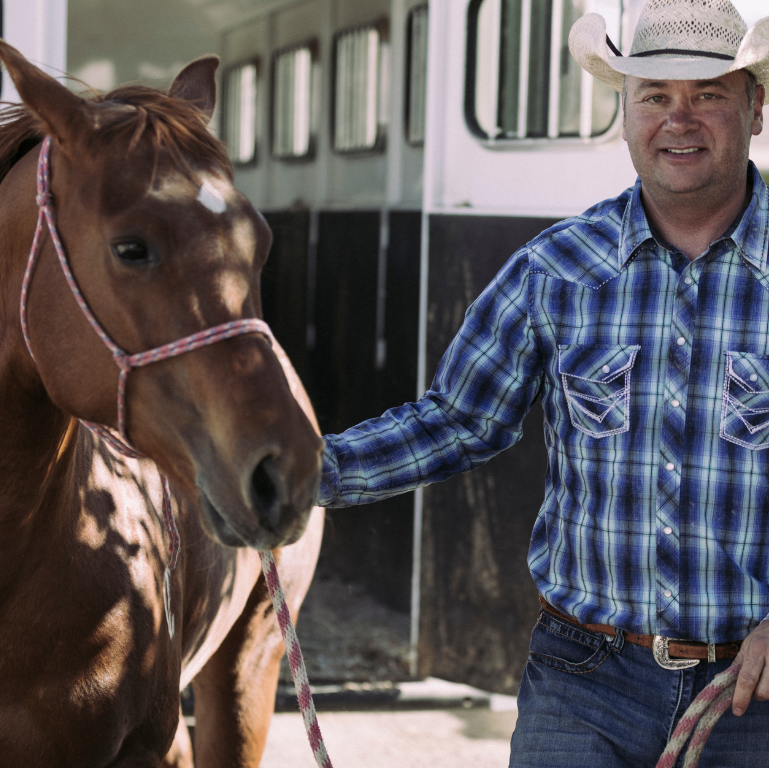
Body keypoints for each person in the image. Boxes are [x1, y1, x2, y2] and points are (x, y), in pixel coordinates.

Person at [317, 0, 769, 764]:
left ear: (754, 110)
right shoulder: (553, 269)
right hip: (582, 678)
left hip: (752, 691)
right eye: (653, 96)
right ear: (623, 115)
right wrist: (310, 472)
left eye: (707, 94)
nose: (677, 119)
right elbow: (457, 420)